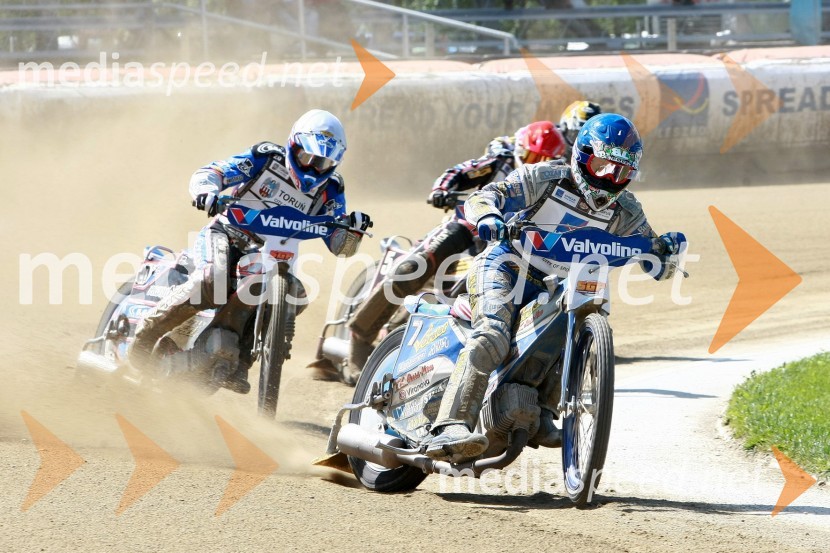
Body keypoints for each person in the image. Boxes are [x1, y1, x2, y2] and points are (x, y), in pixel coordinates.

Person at [425, 113, 683, 461]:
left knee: (567, 330)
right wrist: (488, 215)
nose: (610, 179)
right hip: (506, 265)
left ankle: (542, 412)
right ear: (582, 156)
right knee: (492, 334)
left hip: (559, 284)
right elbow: (487, 195)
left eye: (622, 172)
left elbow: (654, 262)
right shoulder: (544, 178)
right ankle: (450, 426)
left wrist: (666, 252)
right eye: (603, 166)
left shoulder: (627, 210)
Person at [312, 121, 567, 383]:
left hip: (510, 245)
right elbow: (461, 172)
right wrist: (442, 189)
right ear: (520, 150)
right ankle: (361, 335)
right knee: (415, 266)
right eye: (533, 156)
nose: (538, 164)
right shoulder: (500, 160)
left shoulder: (557, 183)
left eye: (546, 160)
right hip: (469, 228)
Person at [130, 109, 372, 380]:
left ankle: (235, 359)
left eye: (323, 163)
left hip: (272, 255)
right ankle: (146, 333)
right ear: (293, 146)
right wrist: (206, 192)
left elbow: (340, 246)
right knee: (214, 280)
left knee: (294, 296)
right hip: (226, 233)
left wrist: (353, 230)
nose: (313, 169)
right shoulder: (266, 158)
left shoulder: (332, 188)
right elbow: (216, 171)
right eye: (307, 158)